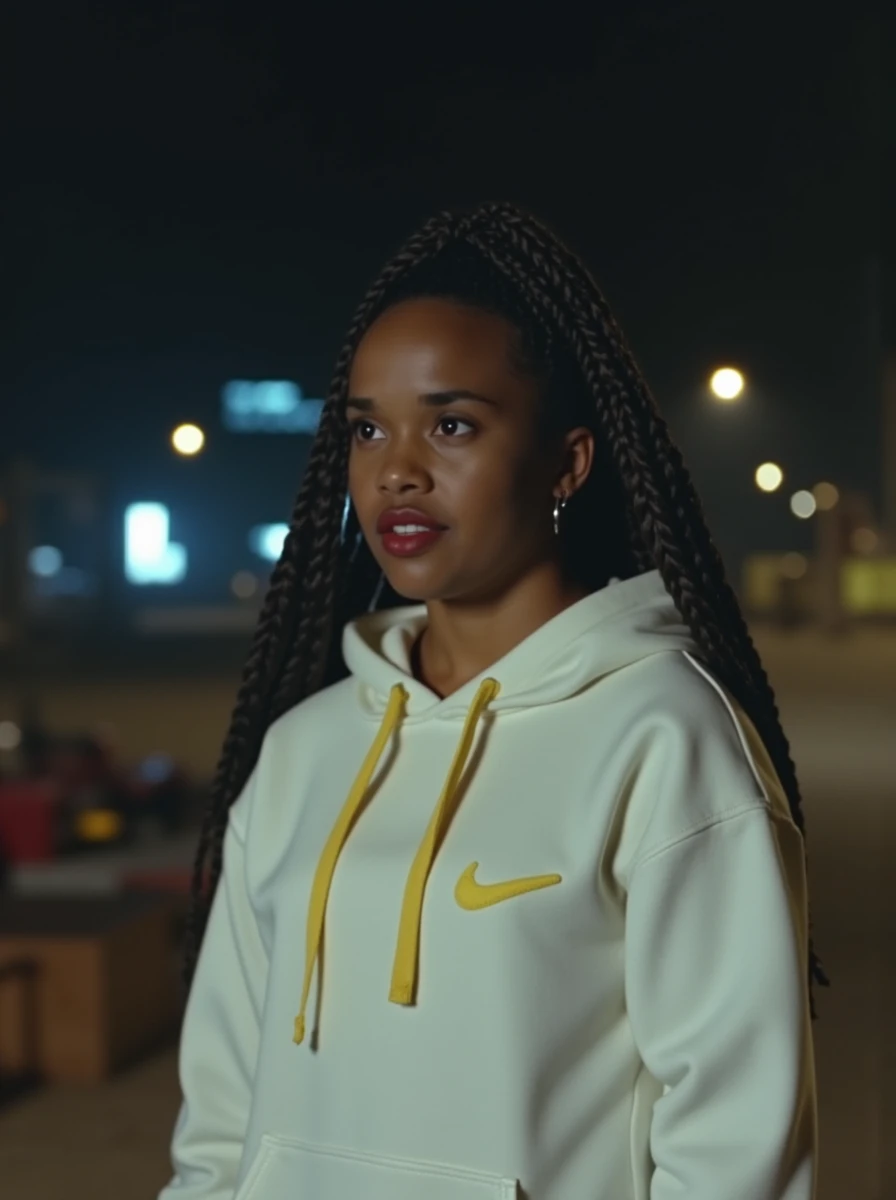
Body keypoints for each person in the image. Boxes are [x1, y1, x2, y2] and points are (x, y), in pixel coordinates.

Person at [159, 202, 825, 1200]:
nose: (396, 472)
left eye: (452, 423)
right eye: (367, 428)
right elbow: (217, 1123)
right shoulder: (301, 750)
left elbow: (734, 1145)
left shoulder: (663, 739)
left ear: (566, 461)